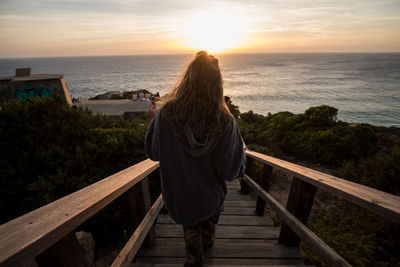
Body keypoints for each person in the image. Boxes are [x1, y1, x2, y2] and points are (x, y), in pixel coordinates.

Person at [145, 51, 246, 267]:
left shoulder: (166, 115)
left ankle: (195, 257)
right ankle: (206, 245)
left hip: (181, 196)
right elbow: (230, 171)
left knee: (191, 232)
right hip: (211, 197)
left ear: (187, 78)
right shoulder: (225, 121)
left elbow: (153, 153)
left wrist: (156, 124)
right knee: (208, 228)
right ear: (218, 83)